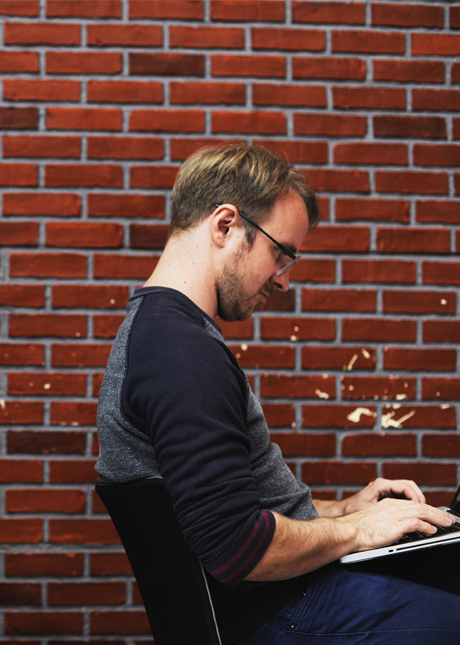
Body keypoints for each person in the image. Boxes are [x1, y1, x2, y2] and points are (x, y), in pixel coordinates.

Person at [95, 143, 459, 644]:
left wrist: (343, 510)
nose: (284, 280)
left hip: (277, 600)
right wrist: (360, 531)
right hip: (279, 611)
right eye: (281, 253)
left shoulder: (161, 334)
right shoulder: (181, 353)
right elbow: (235, 545)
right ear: (225, 226)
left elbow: (225, 506)